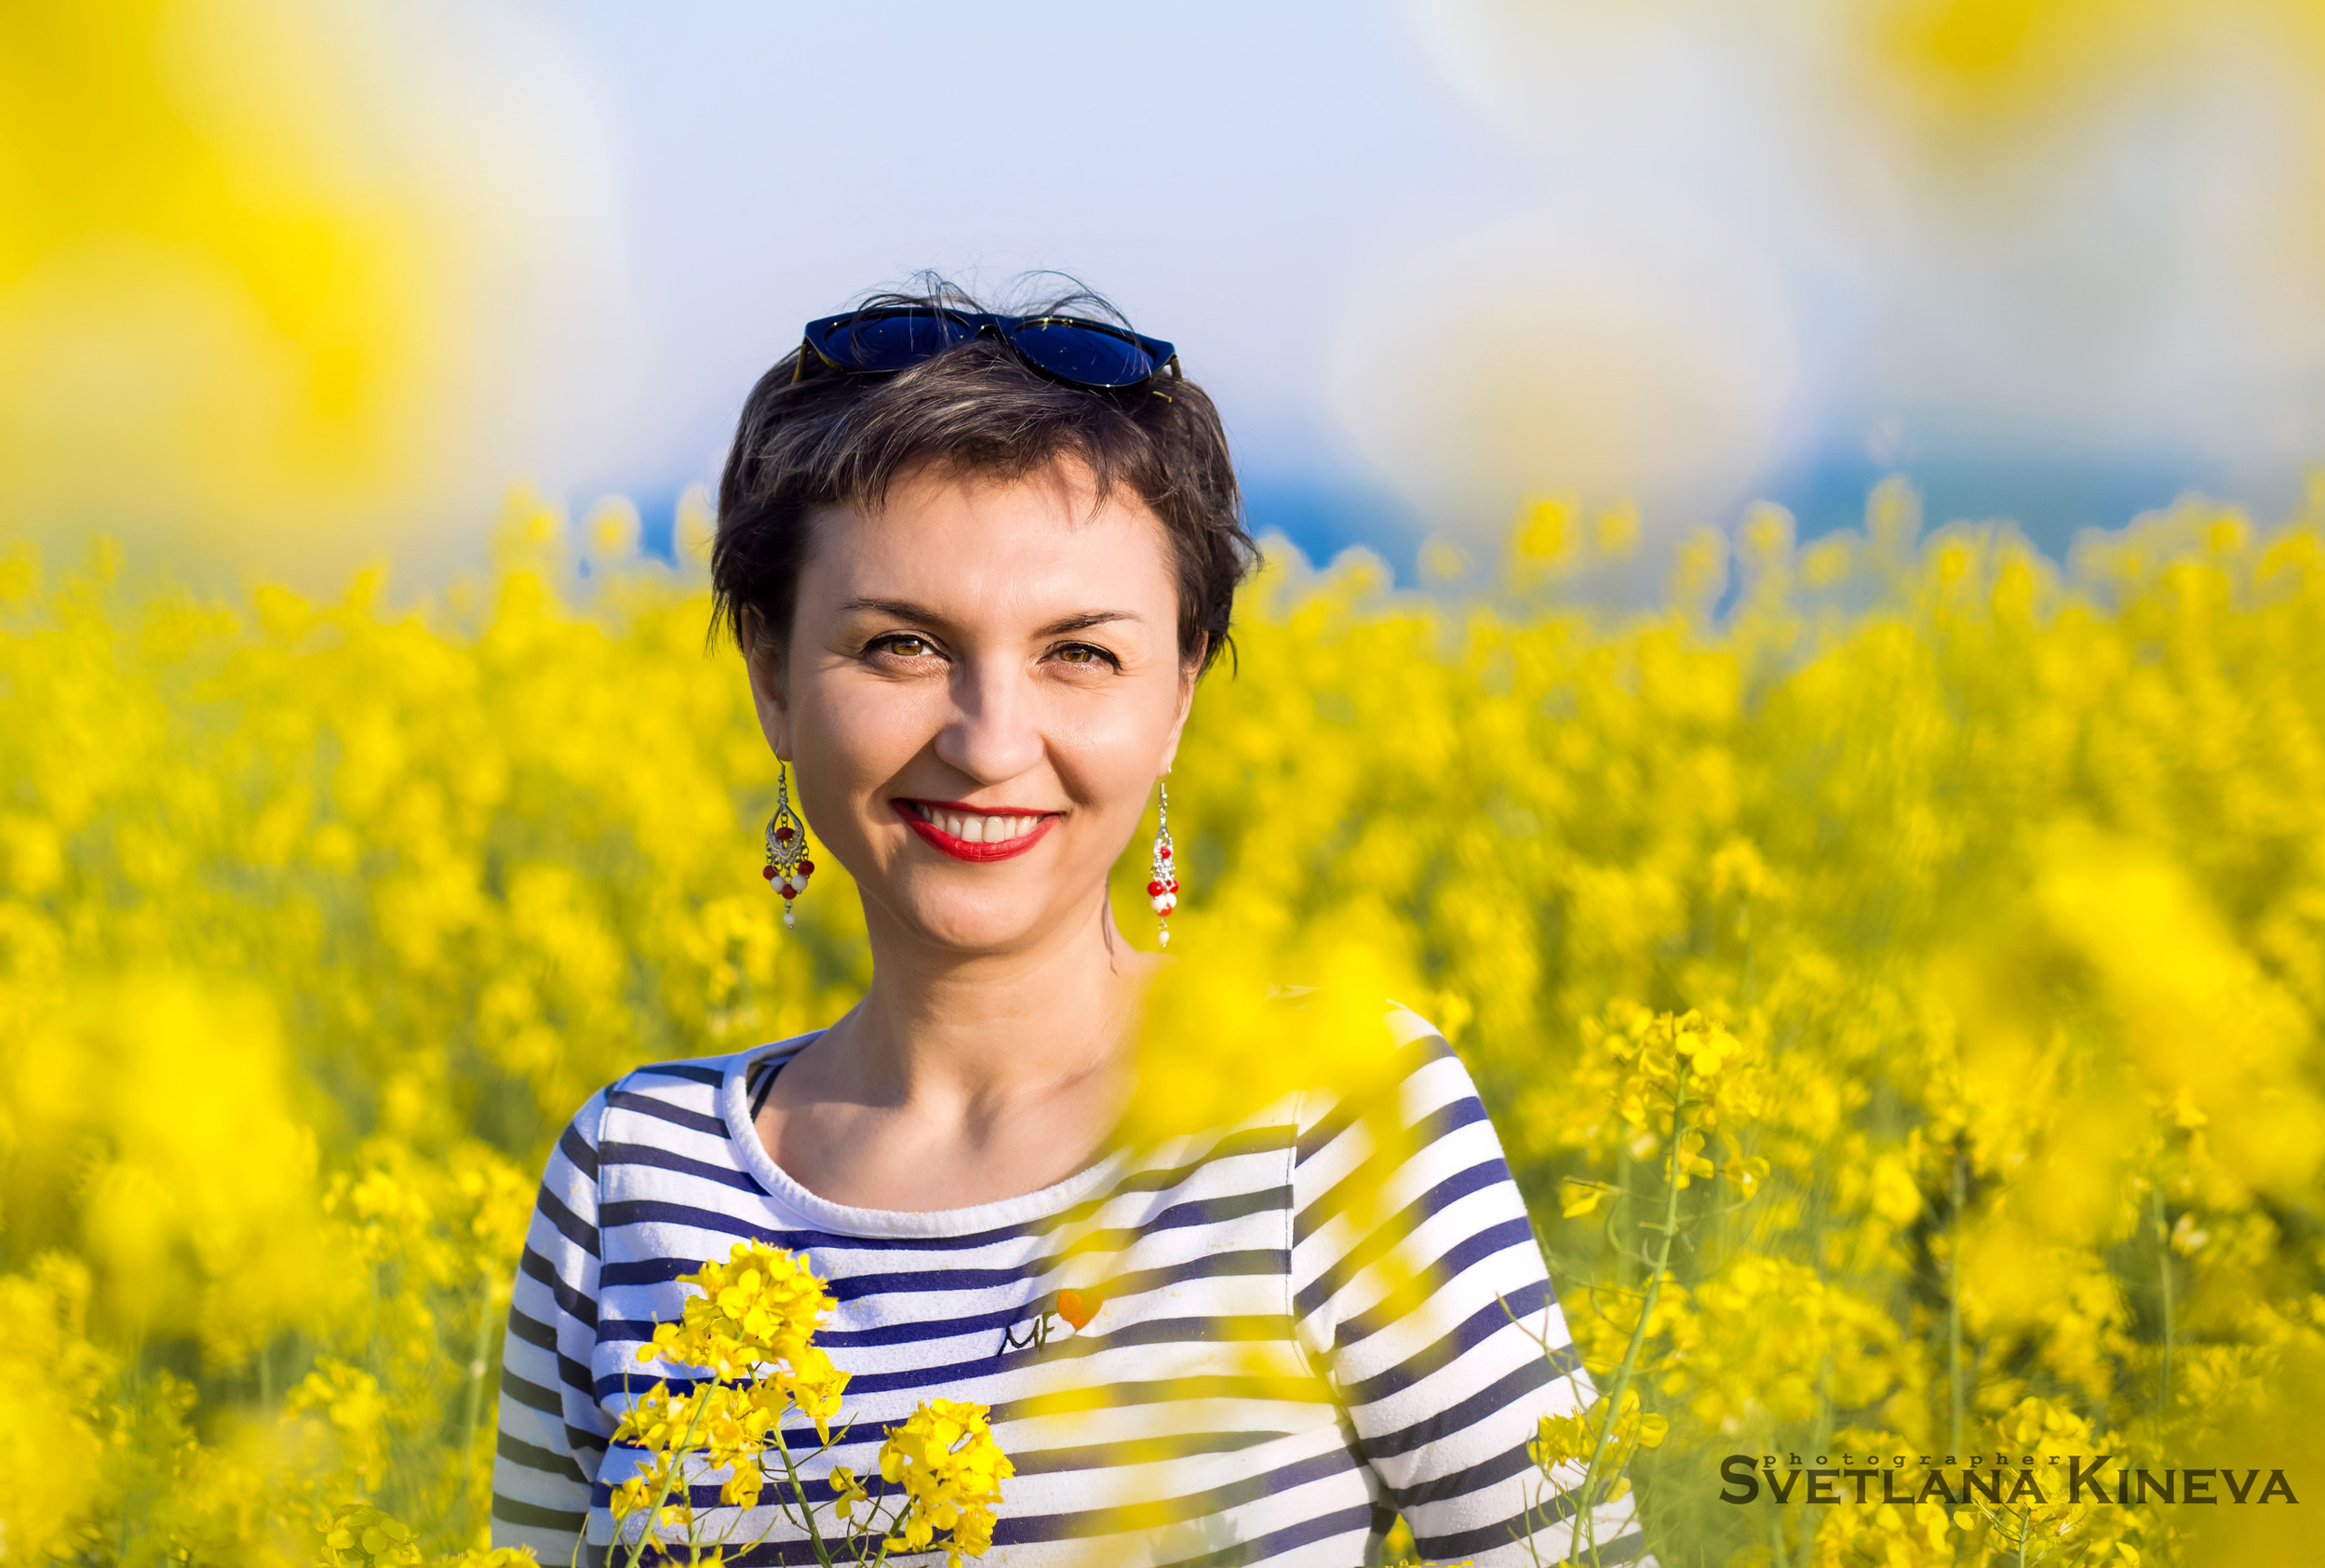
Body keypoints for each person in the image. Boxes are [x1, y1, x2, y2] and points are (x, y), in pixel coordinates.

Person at [490, 283, 1655, 1567]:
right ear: (772, 675)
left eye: (1079, 654)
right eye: (900, 645)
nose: (989, 742)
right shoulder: (629, 1179)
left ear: (1180, 692)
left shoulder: (1327, 1113)